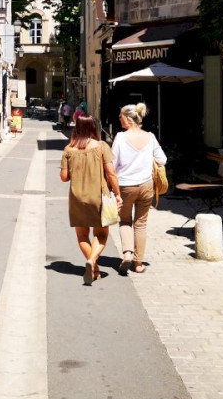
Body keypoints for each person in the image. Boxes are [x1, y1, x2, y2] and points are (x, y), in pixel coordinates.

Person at [60, 112, 121, 285]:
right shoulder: (101, 146)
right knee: (101, 234)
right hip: (98, 198)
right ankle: (92, 260)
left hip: (76, 198)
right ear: (93, 128)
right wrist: (117, 194)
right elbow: (111, 173)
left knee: (81, 235)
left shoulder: (68, 150)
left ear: (77, 128)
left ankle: (93, 268)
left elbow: (64, 177)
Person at [110, 102, 166, 274]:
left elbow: (112, 163)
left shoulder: (120, 137)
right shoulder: (150, 137)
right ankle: (139, 263)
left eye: (120, 117)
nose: (119, 119)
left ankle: (127, 253)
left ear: (128, 119)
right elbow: (162, 160)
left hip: (126, 186)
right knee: (141, 224)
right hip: (146, 185)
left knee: (125, 220)